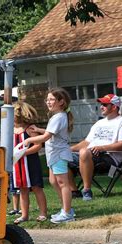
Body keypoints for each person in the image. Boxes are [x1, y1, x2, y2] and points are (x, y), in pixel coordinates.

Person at [23, 88, 75, 224]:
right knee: (53, 181)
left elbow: (46, 137)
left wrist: (28, 140)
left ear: (61, 102)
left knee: (63, 183)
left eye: (52, 99)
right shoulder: (57, 117)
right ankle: (66, 208)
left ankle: (67, 212)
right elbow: (50, 132)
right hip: (53, 154)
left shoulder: (59, 117)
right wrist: (38, 130)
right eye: (47, 99)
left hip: (59, 154)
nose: (48, 102)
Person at [69, 94, 122, 201]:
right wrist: (69, 149)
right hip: (90, 155)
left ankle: (87, 191)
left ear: (114, 107)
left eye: (104, 104)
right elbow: (86, 142)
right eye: (101, 104)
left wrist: (101, 148)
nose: (101, 107)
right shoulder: (99, 123)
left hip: (109, 158)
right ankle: (74, 191)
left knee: (84, 152)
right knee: (62, 157)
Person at [11, 101, 48, 224]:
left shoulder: (30, 128)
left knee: (36, 187)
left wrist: (23, 153)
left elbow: (38, 145)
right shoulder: (12, 129)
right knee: (22, 189)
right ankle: (24, 215)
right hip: (18, 164)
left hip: (30, 162)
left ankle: (43, 213)